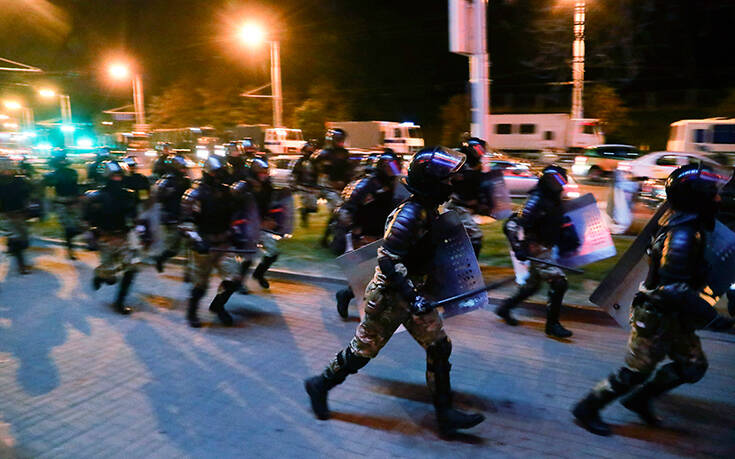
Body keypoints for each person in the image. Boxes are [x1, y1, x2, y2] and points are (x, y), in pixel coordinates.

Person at [304, 147, 485, 436]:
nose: (452, 184)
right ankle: (319, 385)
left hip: (412, 294)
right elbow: (388, 261)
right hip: (390, 296)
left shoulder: (428, 209)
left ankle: (444, 414)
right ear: (431, 183)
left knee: (439, 346)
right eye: (447, 179)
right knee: (362, 352)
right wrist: (413, 297)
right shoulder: (410, 215)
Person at [572, 164, 735, 436]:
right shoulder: (681, 236)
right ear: (696, 199)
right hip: (656, 315)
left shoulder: (689, 225)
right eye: (712, 194)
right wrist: (712, 318)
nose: (718, 199)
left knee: (693, 367)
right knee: (636, 372)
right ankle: (587, 408)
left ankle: (639, 400)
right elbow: (672, 289)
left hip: (675, 315)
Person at [495, 165, 576, 339]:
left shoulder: (554, 200)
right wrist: (518, 247)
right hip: (536, 247)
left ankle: (505, 308)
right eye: (559, 180)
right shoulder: (536, 200)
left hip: (546, 246)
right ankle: (552, 325)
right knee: (559, 283)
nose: (562, 184)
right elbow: (511, 224)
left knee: (533, 285)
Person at [179, 155, 251, 328]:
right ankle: (192, 312)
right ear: (209, 172)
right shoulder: (195, 194)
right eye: (217, 172)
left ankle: (218, 306)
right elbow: (186, 223)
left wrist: (236, 233)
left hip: (224, 244)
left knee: (233, 279)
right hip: (204, 246)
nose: (220, 176)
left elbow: (235, 216)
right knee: (200, 284)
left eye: (223, 172)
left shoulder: (227, 193)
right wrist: (197, 240)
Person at [334, 151, 403, 318]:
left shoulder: (395, 185)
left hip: (383, 234)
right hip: (364, 236)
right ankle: (346, 295)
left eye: (395, 166)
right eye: (390, 166)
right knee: (369, 274)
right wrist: (356, 232)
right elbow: (345, 210)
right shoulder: (366, 184)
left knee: (383, 273)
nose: (393, 170)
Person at [82, 161, 139, 314]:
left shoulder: (128, 195)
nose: (117, 179)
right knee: (110, 278)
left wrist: (138, 230)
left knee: (132, 269)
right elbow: (86, 220)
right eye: (114, 176)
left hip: (124, 237)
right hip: (104, 238)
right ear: (107, 177)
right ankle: (100, 275)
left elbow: (134, 216)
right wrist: (90, 237)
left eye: (120, 175)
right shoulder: (95, 197)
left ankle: (119, 302)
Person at [244, 157, 283, 291]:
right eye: (261, 172)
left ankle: (259, 274)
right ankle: (238, 283)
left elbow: (271, 205)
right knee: (247, 256)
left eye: (265, 172)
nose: (264, 175)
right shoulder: (245, 187)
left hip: (262, 224)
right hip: (247, 225)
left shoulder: (268, 187)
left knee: (273, 252)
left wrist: (272, 218)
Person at [445, 137, 487, 257]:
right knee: (474, 237)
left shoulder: (475, 165)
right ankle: (468, 264)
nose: (481, 153)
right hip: (455, 206)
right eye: (479, 149)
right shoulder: (458, 163)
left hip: (463, 207)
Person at [314, 128, 355, 245]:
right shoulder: (323, 154)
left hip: (343, 189)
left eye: (341, 139)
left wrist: (347, 182)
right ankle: (335, 239)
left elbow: (349, 171)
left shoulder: (345, 154)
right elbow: (321, 175)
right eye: (338, 139)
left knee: (339, 213)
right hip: (329, 189)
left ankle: (327, 238)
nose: (340, 141)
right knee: (339, 212)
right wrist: (331, 184)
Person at [152, 154, 191, 272]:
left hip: (183, 216)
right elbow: (158, 197)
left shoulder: (185, 180)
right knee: (174, 246)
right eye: (181, 167)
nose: (183, 170)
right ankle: (160, 258)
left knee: (186, 244)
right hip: (171, 216)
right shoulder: (166, 181)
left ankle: (188, 272)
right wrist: (167, 193)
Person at [43, 149, 82, 260]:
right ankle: (70, 250)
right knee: (69, 227)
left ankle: (70, 249)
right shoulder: (70, 172)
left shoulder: (56, 174)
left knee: (73, 227)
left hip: (67, 201)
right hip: (65, 202)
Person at [0, 156, 33, 274]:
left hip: (19, 213)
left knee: (23, 240)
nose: (6, 169)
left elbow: (27, 195)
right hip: (6, 215)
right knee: (16, 239)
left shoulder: (19, 181)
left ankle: (12, 249)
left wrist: (27, 209)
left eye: (8, 167)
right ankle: (21, 265)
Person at [291, 139, 319, 227]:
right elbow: (295, 173)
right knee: (309, 205)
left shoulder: (315, 162)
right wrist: (294, 184)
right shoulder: (300, 162)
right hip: (303, 186)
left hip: (313, 186)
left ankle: (303, 211)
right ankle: (304, 218)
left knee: (314, 208)